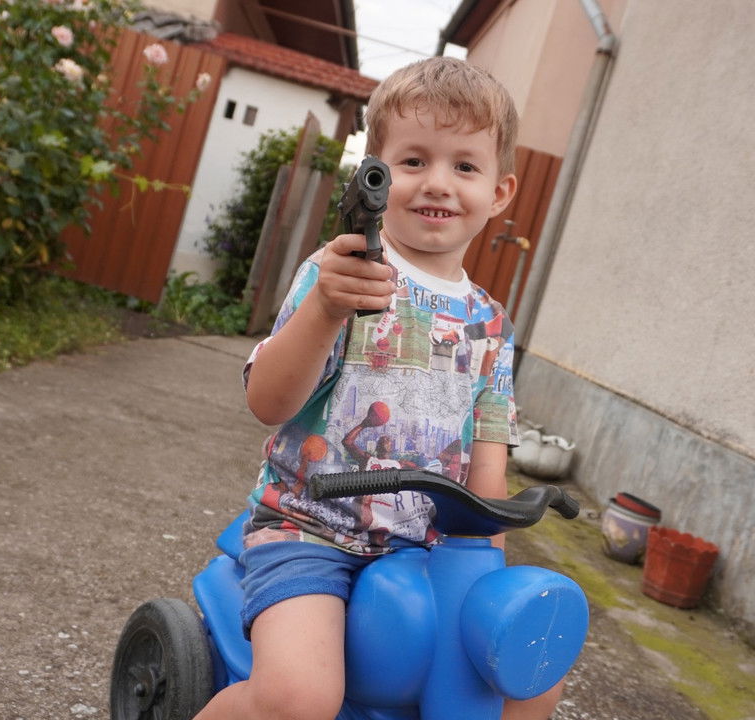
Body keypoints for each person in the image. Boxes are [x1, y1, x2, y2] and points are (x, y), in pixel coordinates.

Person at [194, 57, 564, 720]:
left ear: (501, 192)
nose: (438, 185)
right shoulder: (342, 274)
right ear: (375, 172)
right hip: (312, 529)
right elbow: (268, 404)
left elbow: (487, 465)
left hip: (427, 551)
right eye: (414, 161)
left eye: (465, 167)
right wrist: (325, 310)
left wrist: (489, 569)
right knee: (299, 699)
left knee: (528, 675)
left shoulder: (490, 325)